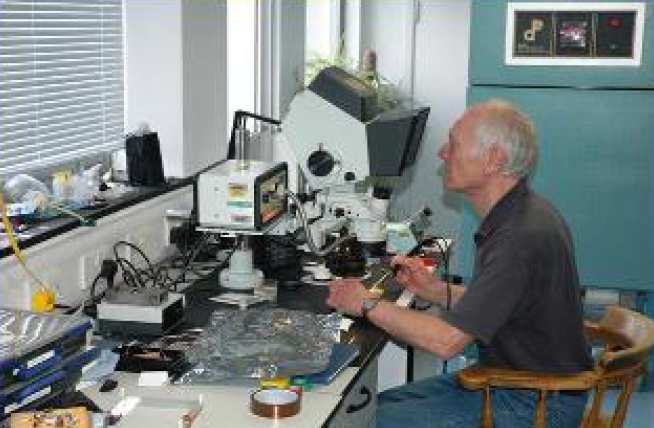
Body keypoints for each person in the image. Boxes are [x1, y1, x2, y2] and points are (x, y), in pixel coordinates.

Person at [326, 100, 593, 428]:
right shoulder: (523, 213)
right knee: (368, 406)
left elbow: (446, 342)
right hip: (514, 383)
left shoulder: (518, 237)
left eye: (453, 143)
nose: (442, 152)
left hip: (535, 400)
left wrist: (364, 303)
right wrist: (435, 290)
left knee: (359, 421)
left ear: (493, 159)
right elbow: (500, 305)